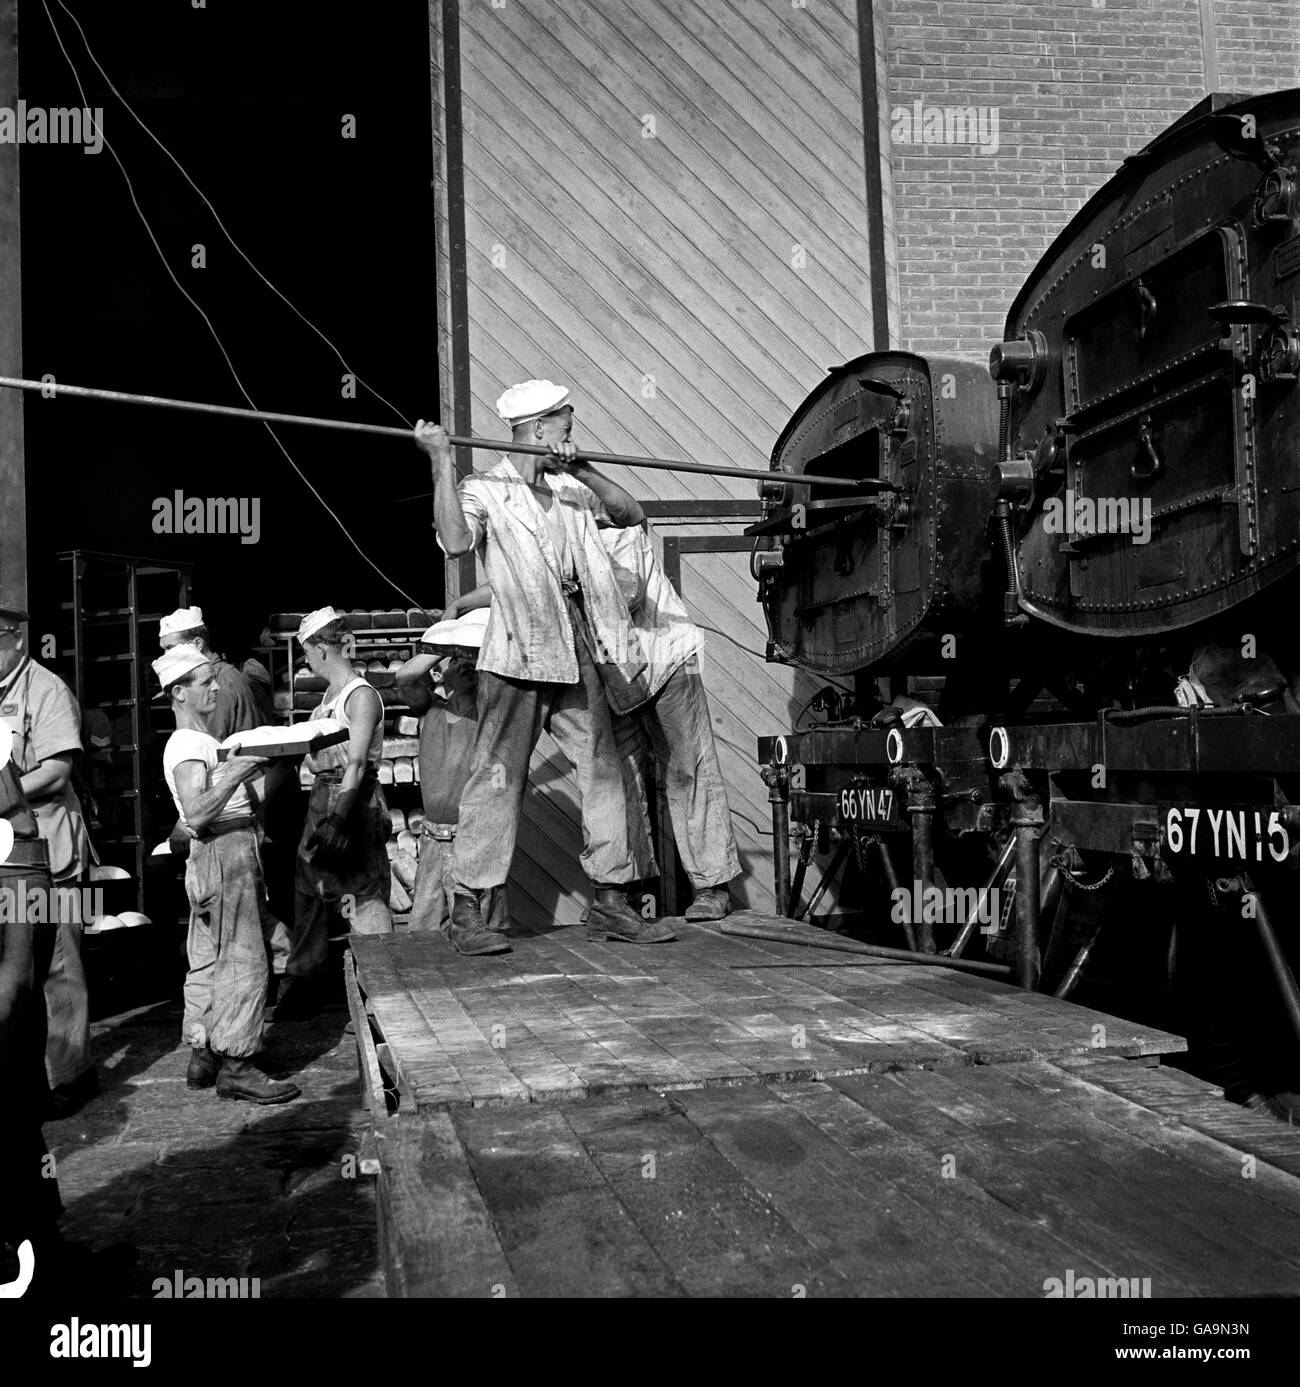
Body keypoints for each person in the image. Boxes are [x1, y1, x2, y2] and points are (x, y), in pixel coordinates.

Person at [415, 378, 675, 948]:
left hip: (579, 654)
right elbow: (456, 543)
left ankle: (611, 900)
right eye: (563, 420)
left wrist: (583, 469)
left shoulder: (570, 488)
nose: (569, 428)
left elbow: (629, 514)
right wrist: (440, 461)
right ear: (536, 428)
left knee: (607, 775)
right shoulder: (484, 488)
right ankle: (468, 912)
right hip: (517, 658)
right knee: (496, 782)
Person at [156, 643, 299, 1103]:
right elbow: (196, 814)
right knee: (243, 959)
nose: (217, 686)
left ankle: (204, 1055)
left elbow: (223, 802)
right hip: (223, 853)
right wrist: (237, 772)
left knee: (210, 958)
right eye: (204, 683)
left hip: (226, 851)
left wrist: (264, 767)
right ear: (179, 693)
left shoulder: (203, 741)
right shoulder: (185, 744)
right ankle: (238, 1064)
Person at [601, 523, 742, 919]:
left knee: (687, 772)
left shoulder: (618, 532)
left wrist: (573, 579)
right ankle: (625, 895)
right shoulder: (559, 550)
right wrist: (465, 605)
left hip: (668, 662)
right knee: (620, 782)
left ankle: (713, 885)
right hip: (618, 677)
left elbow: (626, 593)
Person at [0, 603, 96, 1118]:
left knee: (58, 964)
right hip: (7, 856)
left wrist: (2, 793)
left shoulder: (46, 689)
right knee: (17, 973)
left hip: (49, 851)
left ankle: (71, 1075)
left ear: (17, 640)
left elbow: (57, 771)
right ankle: (25, 1074)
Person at [280, 608, 393, 1012]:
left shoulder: (360, 697)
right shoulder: (329, 697)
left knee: (361, 894)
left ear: (321, 648)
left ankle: (380, 993)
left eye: (307, 652)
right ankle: (304, 982)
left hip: (354, 802)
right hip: (321, 798)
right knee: (310, 890)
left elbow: (358, 765)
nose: (306, 661)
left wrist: (339, 819)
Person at [394, 603, 508, 950]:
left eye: (470, 662)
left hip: (474, 841)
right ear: (441, 674)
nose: (465, 668)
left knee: (485, 930)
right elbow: (404, 678)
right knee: (424, 938)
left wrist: (475, 650)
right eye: (456, 664)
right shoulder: (430, 709)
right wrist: (446, 645)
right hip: (432, 843)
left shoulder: (490, 713)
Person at [159, 606, 267, 740]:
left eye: (170, 648)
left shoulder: (218, 680)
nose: (166, 655)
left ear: (198, 643)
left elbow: (214, 741)